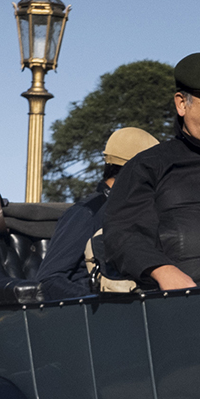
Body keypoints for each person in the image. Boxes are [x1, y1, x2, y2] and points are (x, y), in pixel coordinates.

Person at [100, 52, 200, 290]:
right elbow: (123, 233)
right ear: (182, 104)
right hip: (190, 298)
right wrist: (162, 270)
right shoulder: (150, 166)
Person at [38, 126, 160, 298]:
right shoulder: (87, 213)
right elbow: (49, 280)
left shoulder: (142, 211)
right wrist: (101, 303)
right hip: (97, 310)